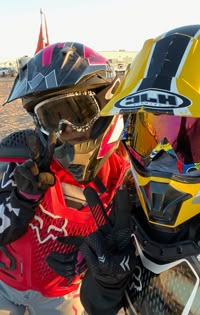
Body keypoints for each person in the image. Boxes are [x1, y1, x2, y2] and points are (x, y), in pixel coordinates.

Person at [47, 24, 200, 314]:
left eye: (194, 138)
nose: (162, 159)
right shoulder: (129, 208)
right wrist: (105, 282)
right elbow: (100, 306)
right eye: (149, 137)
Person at [0, 42, 131, 315]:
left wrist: (92, 261)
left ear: (105, 105)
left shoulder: (125, 175)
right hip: (4, 284)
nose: (64, 131)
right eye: (52, 119)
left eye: (76, 113)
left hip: (62, 295)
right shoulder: (22, 160)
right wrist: (21, 200)